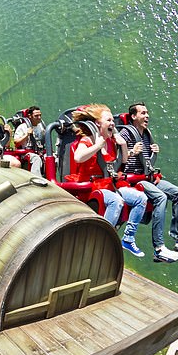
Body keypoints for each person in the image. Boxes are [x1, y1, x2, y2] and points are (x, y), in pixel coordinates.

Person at [120, 102, 178, 262]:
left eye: (147, 113)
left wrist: (154, 154)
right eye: (143, 113)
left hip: (147, 177)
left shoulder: (146, 135)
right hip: (131, 180)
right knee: (160, 197)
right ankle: (159, 248)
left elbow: (147, 163)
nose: (147, 116)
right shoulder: (125, 133)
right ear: (133, 116)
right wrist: (132, 152)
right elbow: (116, 159)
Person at [72, 104, 147, 257]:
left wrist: (123, 144)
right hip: (92, 185)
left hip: (109, 184)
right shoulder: (88, 140)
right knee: (116, 201)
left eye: (113, 120)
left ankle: (128, 238)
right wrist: (97, 146)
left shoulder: (111, 141)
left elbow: (123, 160)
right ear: (97, 123)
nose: (112, 123)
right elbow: (78, 157)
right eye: (108, 120)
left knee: (141, 198)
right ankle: (102, 241)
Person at [13, 106, 45, 177]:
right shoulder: (22, 127)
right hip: (26, 153)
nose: (39, 117)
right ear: (30, 116)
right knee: (36, 158)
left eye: (40, 115)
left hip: (39, 151)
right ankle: (36, 178)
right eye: (36, 116)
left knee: (52, 157)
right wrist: (27, 135)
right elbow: (16, 142)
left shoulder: (41, 127)